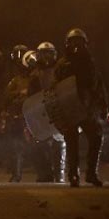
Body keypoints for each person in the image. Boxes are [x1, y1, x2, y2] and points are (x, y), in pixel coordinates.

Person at [55, 28, 109, 187]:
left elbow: (98, 85)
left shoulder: (90, 62)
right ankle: (73, 175)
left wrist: (103, 105)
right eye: (73, 42)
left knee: (96, 137)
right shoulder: (63, 63)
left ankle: (91, 173)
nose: (76, 45)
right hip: (70, 107)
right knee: (71, 142)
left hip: (87, 108)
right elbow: (57, 86)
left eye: (79, 41)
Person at [28, 42, 66, 183]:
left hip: (57, 110)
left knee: (60, 143)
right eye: (44, 53)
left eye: (49, 53)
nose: (47, 57)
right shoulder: (34, 75)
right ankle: (44, 174)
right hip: (41, 112)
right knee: (39, 144)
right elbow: (31, 96)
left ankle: (59, 174)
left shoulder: (60, 71)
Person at [2, 48, 33, 182]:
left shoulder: (36, 78)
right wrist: (20, 93)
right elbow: (7, 95)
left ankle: (45, 174)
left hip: (34, 116)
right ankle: (16, 174)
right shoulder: (16, 80)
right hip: (19, 117)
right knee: (17, 146)